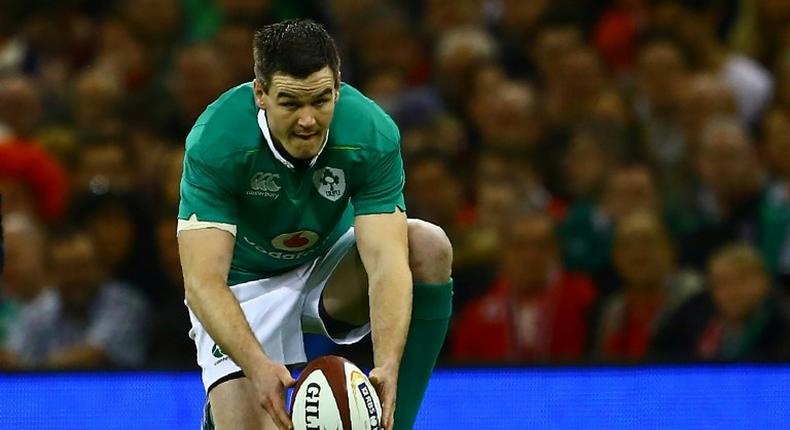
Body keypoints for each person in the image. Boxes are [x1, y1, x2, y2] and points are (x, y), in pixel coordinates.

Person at [177, 20, 453, 430]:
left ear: (338, 87)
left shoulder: (371, 132)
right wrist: (256, 364)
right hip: (242, 289)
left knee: (427, 245)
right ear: (261, 95)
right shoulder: (217, 140)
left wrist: (389, 363)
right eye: (290, 103)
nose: (308, 120)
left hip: (328, 265)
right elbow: (203, 282)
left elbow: (386, 261)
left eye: (321, 101)